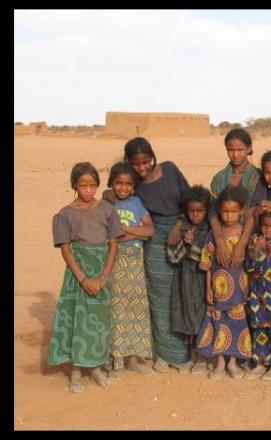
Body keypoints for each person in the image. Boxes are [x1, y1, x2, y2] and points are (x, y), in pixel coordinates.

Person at [49, 162, 124, 392]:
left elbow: (113, 245)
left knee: (99, 321)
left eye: (93, 185)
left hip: (102, 270)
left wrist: (103, 277)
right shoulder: (65, 214)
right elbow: (65, 249)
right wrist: (83, 278)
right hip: (77, 274)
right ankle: (76, 372)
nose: (89, 190)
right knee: (77, 320)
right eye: (83, 185)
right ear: (74, 186)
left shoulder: (107, 210)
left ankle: (96, 368)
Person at [123, 137, 192, 373]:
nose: (142, 168)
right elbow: (117, 197)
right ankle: (162, 353)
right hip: (153, 240)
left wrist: (179, 226)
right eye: (136, 164)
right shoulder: (134, 185)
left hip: (180, 234)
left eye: (146, 162)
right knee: (159, 296)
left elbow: (190, 201)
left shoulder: (171, 170)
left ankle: (183, 355)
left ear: (153, 156)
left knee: (181, 293)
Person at [194, 186, 253, 379]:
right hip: (218, 289)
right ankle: (219, 362)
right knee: (219, 324)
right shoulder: (213, 235)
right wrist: (207, 290)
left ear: (241, 211)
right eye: (225, 211)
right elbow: (207, 264)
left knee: (236, 325)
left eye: (233, 211)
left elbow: (251, 262)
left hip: (239, 289)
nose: (229, 216)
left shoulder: (244, 233)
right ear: (219, 211)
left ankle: (233, 363)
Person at [108, 162, 155, 375]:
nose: (123, 188)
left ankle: (134, 359)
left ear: (133, 186)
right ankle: (117, 359)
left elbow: (149, 230)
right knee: (116, 309)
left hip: (135, 261)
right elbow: (110, 235)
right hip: (115, 262)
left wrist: (126, 229)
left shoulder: (137, 203)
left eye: (128, 184)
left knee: (136, 307)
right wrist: (136, 232)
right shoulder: (106, 203)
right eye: (118, 183)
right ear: (111, 184)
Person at [166, 184, 211, 373]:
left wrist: (192, 245)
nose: (195, 215)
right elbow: (173, 256)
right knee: (187, 314)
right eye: (191, 211)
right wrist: (184, 242)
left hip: (203, 280)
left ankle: (202, 357)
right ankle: (191, 355)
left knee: (202, 315)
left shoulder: (210, 229)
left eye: (200, 211)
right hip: (185, 279)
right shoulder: (181, 229)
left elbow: (207, 257)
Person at [208, 128, 263, 269]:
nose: (235, 154)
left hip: (249, 237)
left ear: (249, 148)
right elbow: (213, 212)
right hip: (222, 235)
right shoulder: (218, 179)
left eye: (240, 149)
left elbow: (255, 211)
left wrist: (242, 244)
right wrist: (219, 241)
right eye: (231, 150)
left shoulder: (257, 177)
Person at [243, 210, 271, 380]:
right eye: (265, 226)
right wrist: (254, 253)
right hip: (257, 293)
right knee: (259, 326)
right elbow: (249, 268)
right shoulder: (254, 241)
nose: (268, 230)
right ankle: (260, 363)